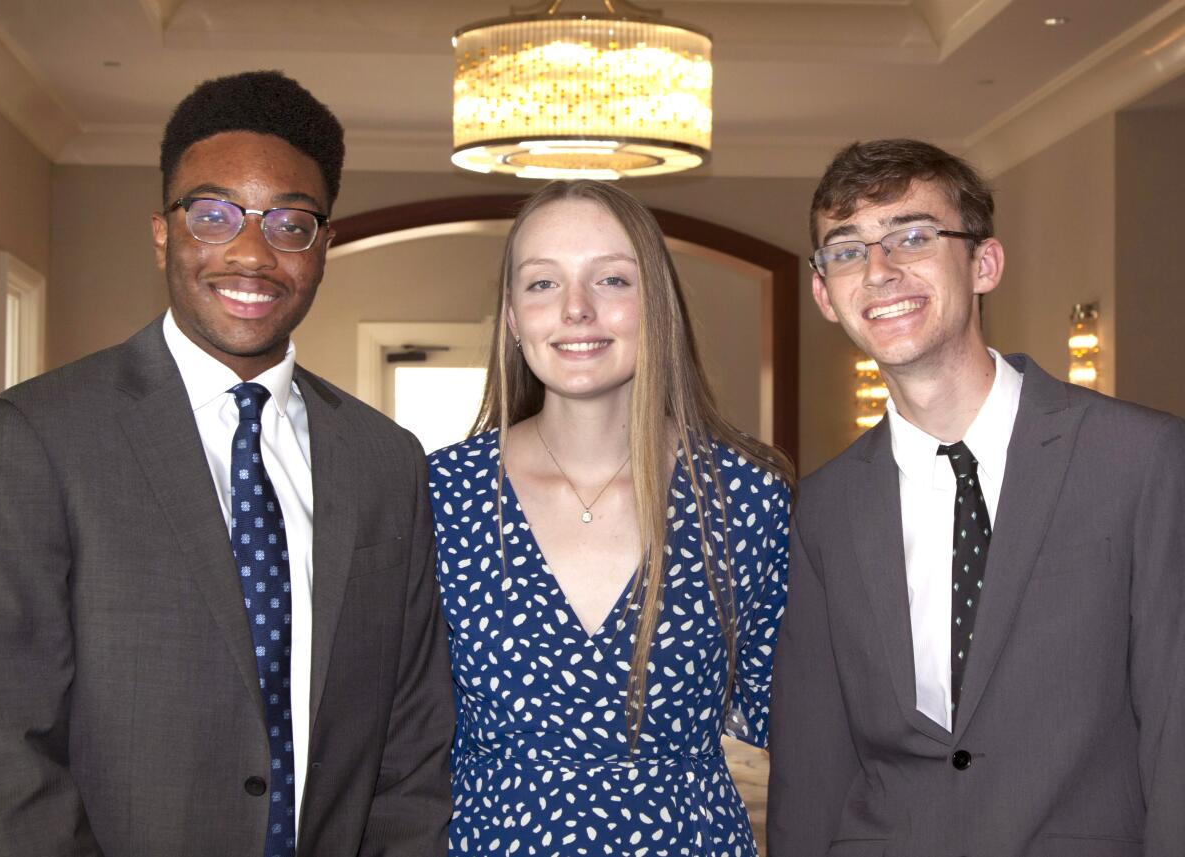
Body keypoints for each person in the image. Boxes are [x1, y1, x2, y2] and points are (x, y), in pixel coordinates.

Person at [0, 71, 454, 857]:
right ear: (163, 231)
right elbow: (4, 747)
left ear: (323, 245)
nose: (250, 253)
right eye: (214, 214)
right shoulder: (36, 438)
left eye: (290, 223)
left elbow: (411, 745)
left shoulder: (387, 461)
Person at [767, 138, 1185, 856]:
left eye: (912, 237)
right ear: (824, 295)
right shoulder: (824, 509)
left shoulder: (1140, 459)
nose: (879, 271)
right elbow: (812, 767)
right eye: (846, 251)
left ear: (983, 262)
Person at [428, 179, 793, 856]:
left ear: (657, 303)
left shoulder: (745, 497)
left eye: (612, 280)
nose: (576, 309)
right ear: (511, 315)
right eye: (542, 284)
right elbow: (390, 740)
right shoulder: (439, 494)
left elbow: (810, 729)